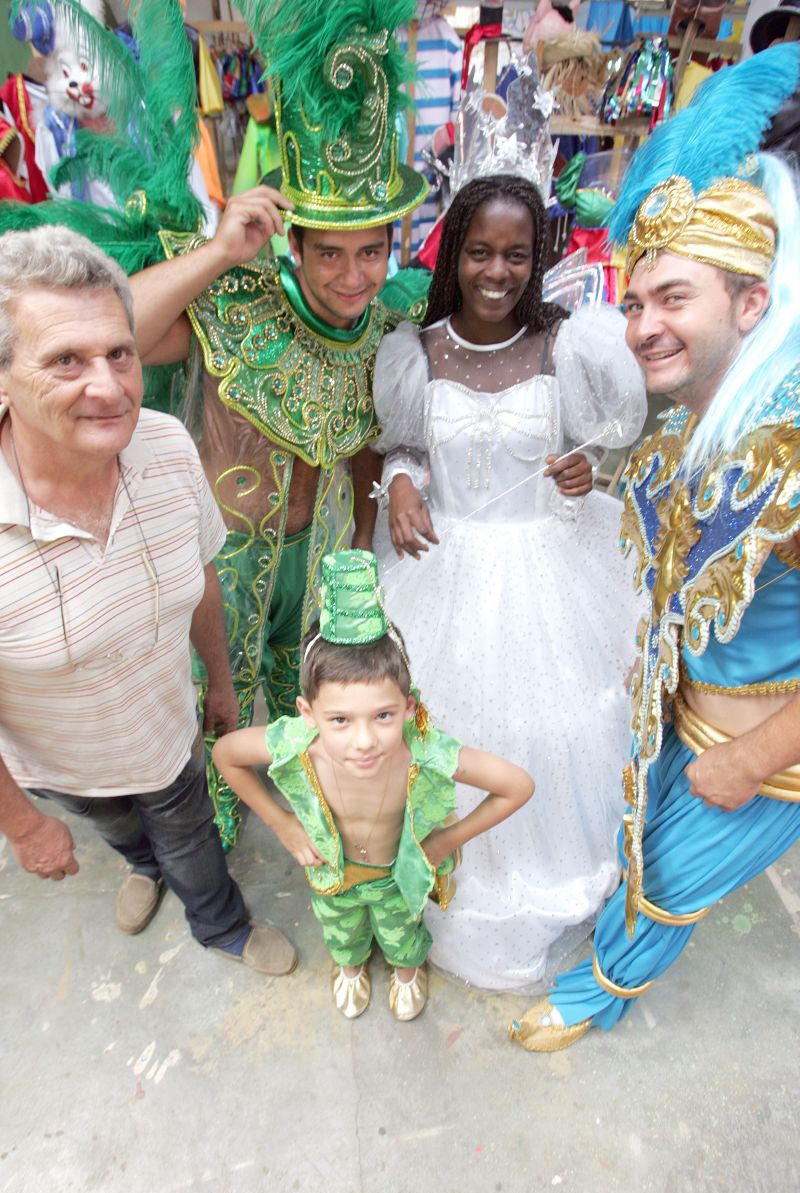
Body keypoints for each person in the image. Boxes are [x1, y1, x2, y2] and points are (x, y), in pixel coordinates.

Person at [510, 43, 800, 1051]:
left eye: (673, 298)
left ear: (750, 304)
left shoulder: (793, 459)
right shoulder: (680, 425)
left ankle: (595, 997)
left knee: (665, 883)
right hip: (671, 714)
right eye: (633, 302)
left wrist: (755, 756)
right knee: (633, 856)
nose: (640, 326)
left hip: (760, 759)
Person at [125, 0, 431, 850]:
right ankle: (214, 802)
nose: (351, 275)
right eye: (328, 252)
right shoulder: (236, 302)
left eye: (371, 252)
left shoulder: (384, 328)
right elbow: (123, 329)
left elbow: (371, 444)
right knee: (218, 691)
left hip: (322, 549)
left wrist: (363, 549)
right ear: (291, 245)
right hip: (225, 551)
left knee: (308, 696)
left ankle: (295, 788)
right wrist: (221, 252)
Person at [371, 173, 647, 991]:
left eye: (518, 255)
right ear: (454, 253)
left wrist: (583, 466)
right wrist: (401, 484)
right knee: (445, 731)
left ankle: (541, 879)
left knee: (547, 732)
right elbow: (403, 447)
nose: (499, 271)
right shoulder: (413, 353)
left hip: (545, 574)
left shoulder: (567, 343)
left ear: (539, 257)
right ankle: (450, 877)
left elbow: (602, 441)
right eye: (482, 253)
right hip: (445, 572)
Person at [0, 225, 295, 976]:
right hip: (61, 769)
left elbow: (198, 576)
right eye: (66, 359)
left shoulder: (164, 445)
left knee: (190, 833)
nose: (108, 386)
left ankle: (219, 924)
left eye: (119, 353)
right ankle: (142, 866)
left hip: (168, 737)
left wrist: (223, 683)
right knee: (122, 829)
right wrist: (25, 826)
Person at [212, 549, 534, 1020]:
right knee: (341, 930)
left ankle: (407, 970)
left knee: (403, 930)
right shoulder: (295, 742)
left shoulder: (422, 748)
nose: (363, 741)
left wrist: (446, 839)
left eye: (382, 715)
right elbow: (226, 756)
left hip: (396, 874)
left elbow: (517, 785)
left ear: (407, 706)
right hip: (330, 874)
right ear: (307, 712)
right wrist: (280, 822)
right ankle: (350, 965)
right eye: (339, 719)